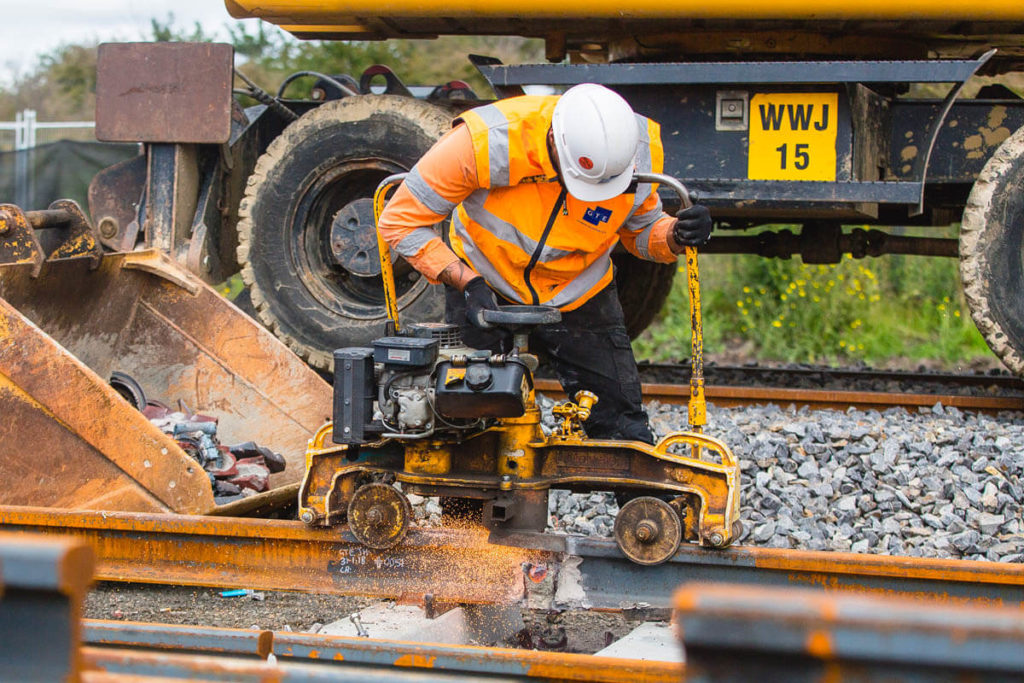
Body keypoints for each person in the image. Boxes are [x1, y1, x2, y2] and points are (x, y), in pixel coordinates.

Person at [378, 83, 712, 443]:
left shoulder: (637, 151)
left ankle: (640, 500)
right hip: (485, 283)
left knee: (621, 428)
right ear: (554, 141)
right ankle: (470, 501)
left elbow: (641, 232)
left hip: (580, 290)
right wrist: (466, 282)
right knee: (467, 426)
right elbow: (400, 220)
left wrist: (677, 235)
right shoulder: (486, 142)